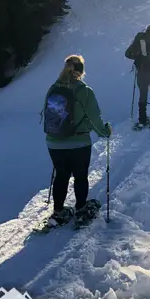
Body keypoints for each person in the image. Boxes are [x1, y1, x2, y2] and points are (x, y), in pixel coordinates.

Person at [42, 54, 112, 226]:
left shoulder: (53, 88)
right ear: (81, 71)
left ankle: (58, 211)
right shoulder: (84, 91)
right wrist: (105, 132)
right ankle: (81, 208)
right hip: (78, 142)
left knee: (61, 175)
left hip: (54, 142)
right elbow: (94, 118)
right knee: (80, 175)